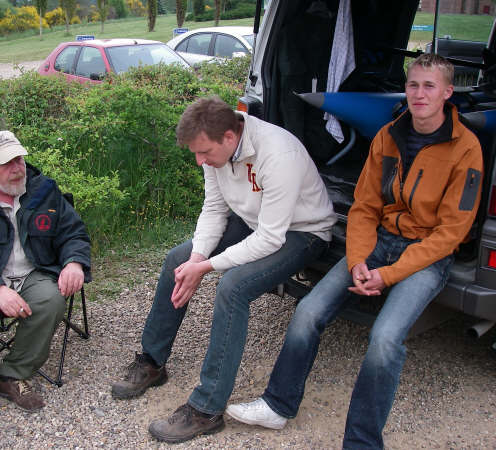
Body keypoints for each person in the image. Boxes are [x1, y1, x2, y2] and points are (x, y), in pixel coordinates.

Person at [226, 54, 483, 449]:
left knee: (384, 338)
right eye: (413, 85)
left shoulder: (466, 148)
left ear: (448, 92)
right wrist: (362, 260)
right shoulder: (388, 135)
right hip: (380, 243)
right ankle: (277, 405)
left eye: (429, 86)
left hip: (427, 255)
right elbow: (364, 208)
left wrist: (389, 275)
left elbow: (451, 232)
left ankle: (361, 442)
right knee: (309, 310)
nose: (419, 94)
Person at [110, 96, 337, 443]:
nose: (200, 161)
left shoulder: (278, 154)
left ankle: (207, 409)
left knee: (233, 287)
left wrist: (207, 267)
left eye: (204, 153)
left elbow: (270, 239)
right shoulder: (214, 151)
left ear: (230, 137)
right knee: (177, 259)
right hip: (253, 222)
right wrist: (196, 257)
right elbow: (215, 209)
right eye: (197, 155)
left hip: (300, 231)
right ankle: (152, 362)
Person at [0, 130, 91, 417]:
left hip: (33, 273)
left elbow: (74, 233)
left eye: (19, 159)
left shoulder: (44, 190)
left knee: (51, 300)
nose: (17, 168)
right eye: (7, 163)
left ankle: (14, 375)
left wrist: (74, 262)